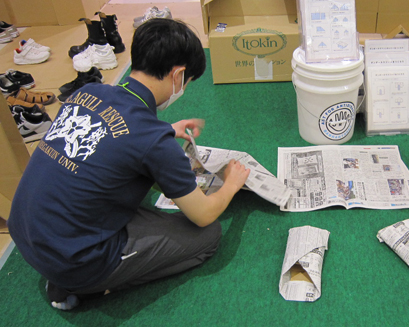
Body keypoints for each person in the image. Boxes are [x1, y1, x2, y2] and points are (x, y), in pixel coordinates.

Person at [7, 18, 251, 310]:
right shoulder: (153, 141)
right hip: (74, 260)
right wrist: (232, 185)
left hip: (23, 232)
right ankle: (89, 286)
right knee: (208, 236)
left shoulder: (88, 92)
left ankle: (71, 270)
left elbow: (116, 132)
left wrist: (165, 129)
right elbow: (204, 215)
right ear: (178, 75)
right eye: (187, 83)